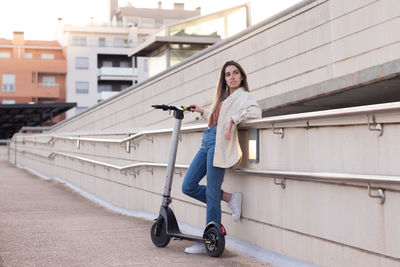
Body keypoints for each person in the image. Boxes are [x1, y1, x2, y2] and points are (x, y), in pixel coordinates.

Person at [182, 60, 262, 254]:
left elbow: (256, 112)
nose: (232, 77)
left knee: (211, 193)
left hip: (219, 144)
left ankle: (212, 241)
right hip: (207, 140)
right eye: (228, 74)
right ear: (224, 79)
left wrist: (234, 120)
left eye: (235, 73)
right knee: (188, 185)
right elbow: (218, 119)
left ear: (242, 76)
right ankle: (230, 197)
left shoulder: (244, 96)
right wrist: (202, 112)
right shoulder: (225, 97)